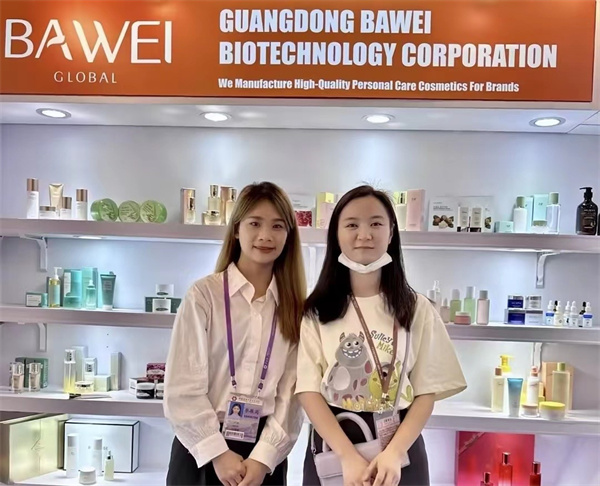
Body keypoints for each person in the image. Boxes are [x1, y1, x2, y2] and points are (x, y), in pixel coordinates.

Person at [296, 185, 467, 486]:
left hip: (399, 448)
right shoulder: (317, 311)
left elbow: (426, 392)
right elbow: (308, 391)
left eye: (376, 223)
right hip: (335, 446)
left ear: (391, 233)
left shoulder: (417, 308)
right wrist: (347, 456)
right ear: (336, 235)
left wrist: (394, 453)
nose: (364, 235)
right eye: (352, 225)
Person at [164, 182, 306, 486]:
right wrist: (217, 452)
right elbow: (181, 387)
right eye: (255, 223)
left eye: (277, 226)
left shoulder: (295, 307)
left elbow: (292, 395)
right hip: (201, 452)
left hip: (263, 456)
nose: (265, 235)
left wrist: (263, 458)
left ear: (289, 235)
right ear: (237, 229)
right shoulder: (204, 296)